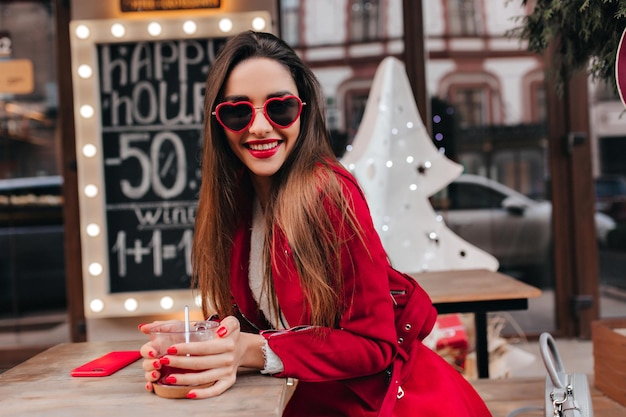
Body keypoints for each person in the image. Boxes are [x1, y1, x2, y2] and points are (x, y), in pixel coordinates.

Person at [138, 30, 491, 417]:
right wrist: (200, 348)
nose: (258, 127)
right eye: (238, 111)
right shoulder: (233, 199)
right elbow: (250, 323)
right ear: (218, 122)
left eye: (280, 107)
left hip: (393, 406)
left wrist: (251, 350)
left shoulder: (331, 194)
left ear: (303, 111)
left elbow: (375, 345)